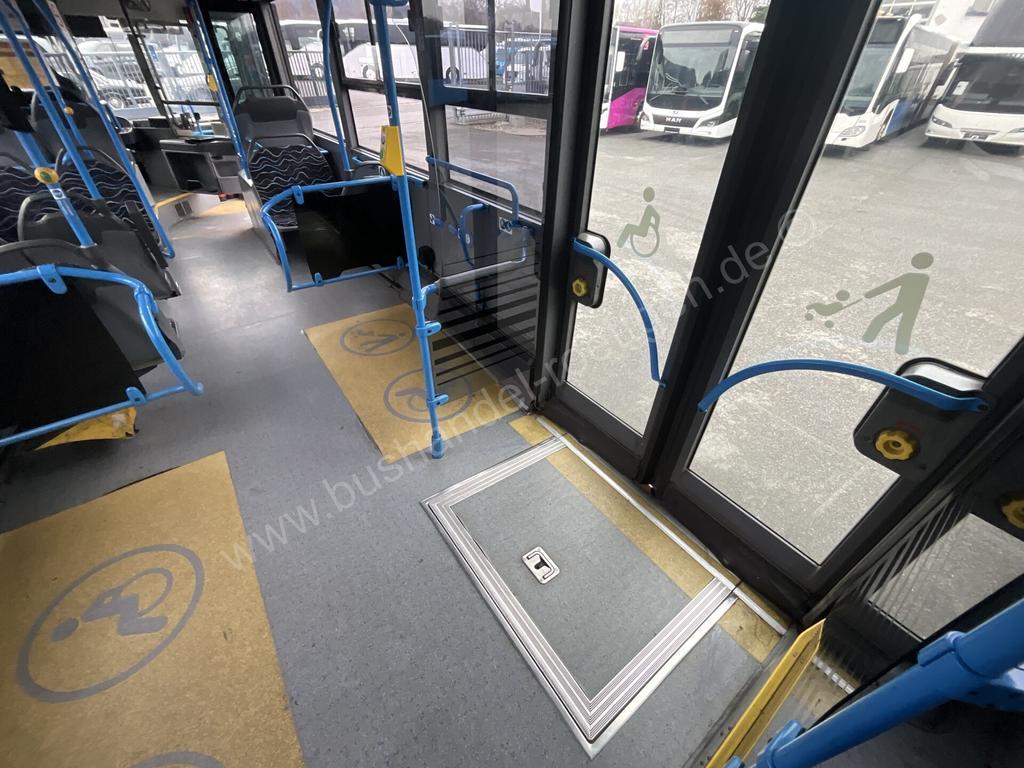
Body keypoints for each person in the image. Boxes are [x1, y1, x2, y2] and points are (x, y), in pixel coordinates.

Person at [861, 252, 933, 354]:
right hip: (912, 307)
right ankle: (901, 350)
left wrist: (869, 294)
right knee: (905, 327)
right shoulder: (924, 278)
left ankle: (868, 338)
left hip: (901, 304)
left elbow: (889, 285)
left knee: (880, 319)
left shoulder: (909, 276)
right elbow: (889, 285)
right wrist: (869, 294)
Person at [617, 186, 661, 257]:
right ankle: (620, 244)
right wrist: (655, 227)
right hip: (642, 228)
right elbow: (657, 217)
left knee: (628, 227)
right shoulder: (649, 208)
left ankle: (620, 244)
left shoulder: (649, 208)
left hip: (642, 230)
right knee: (629, 227)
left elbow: (657, 217)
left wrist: (656, 228)